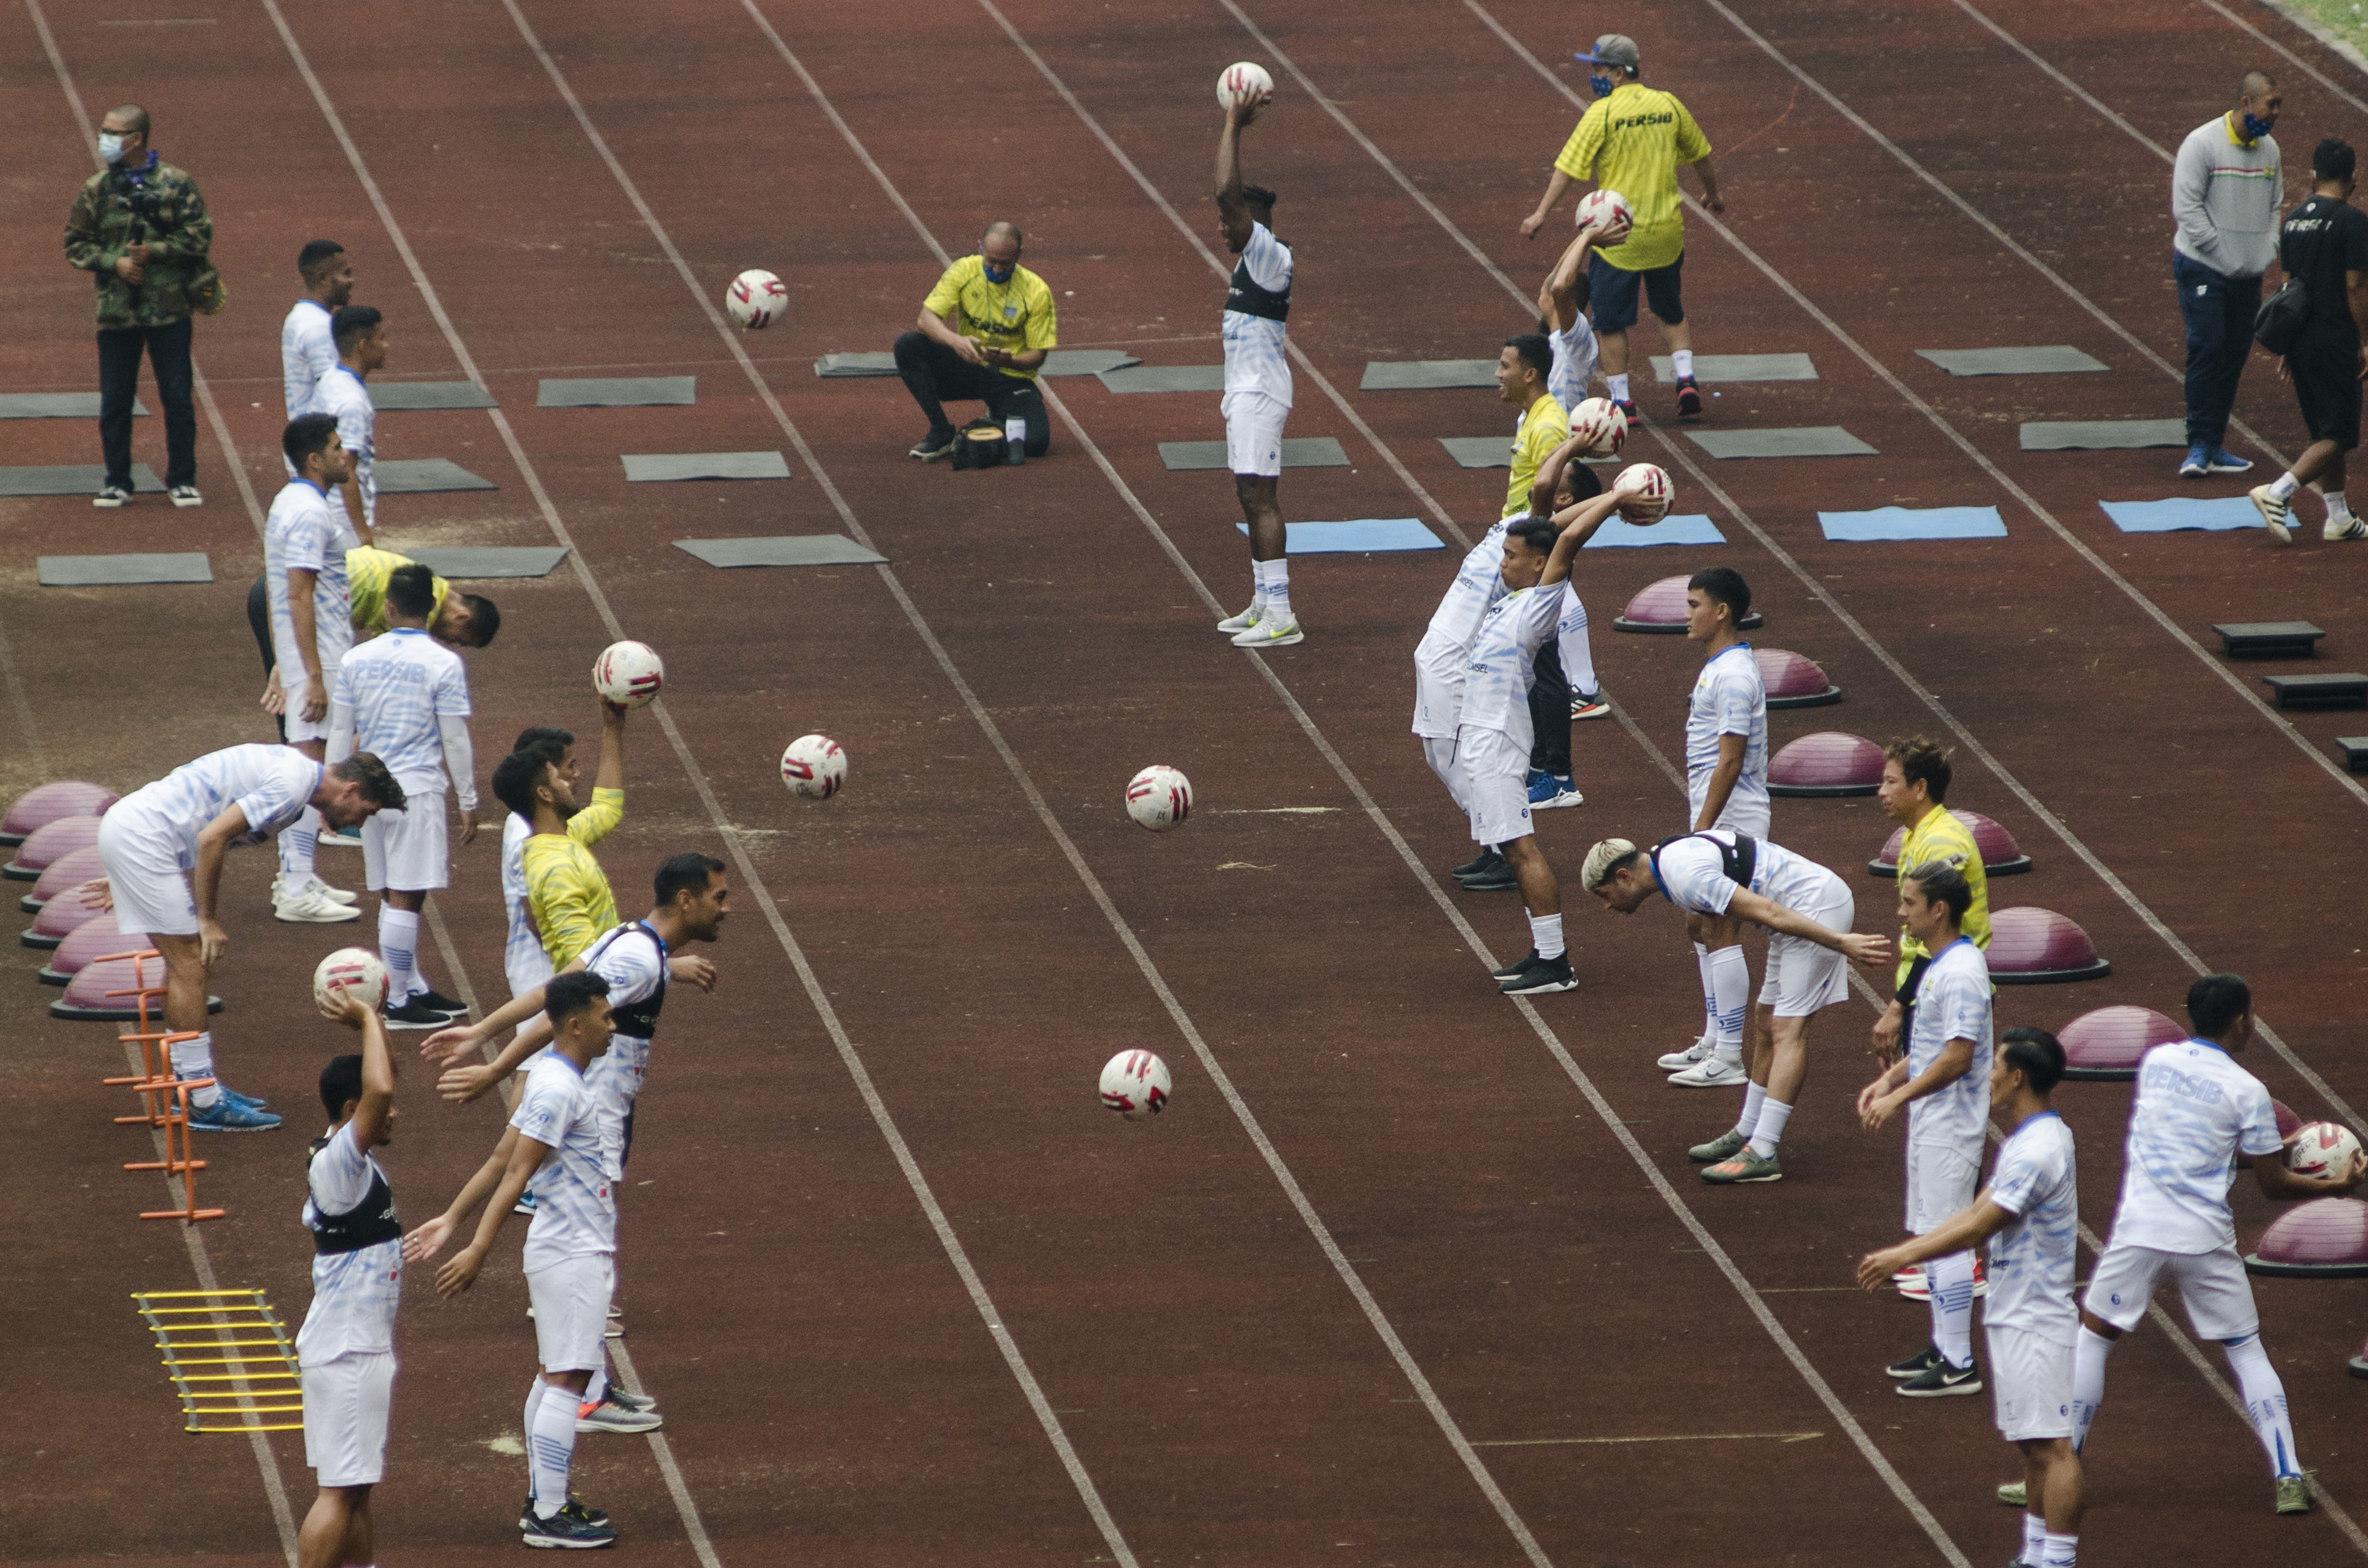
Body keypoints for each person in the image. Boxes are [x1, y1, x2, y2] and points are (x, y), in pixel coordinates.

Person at [426, 853, 726, 1412]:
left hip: (589, 1103)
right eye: (719, 896)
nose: (725, 908)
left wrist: (484, 1031)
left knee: (556, 1214)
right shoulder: (638, 960)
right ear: (686, 900)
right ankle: (585, 1394)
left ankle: (585, 1384)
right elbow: (563, 1013)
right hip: (594, 1116)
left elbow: (557, 991)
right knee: (589, 1248)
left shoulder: (631, 938)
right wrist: (494, 1066)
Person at [2073, 972, 2365, 1518]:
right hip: (2203, 1238)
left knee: (2093, 1340)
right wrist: (2334, 1186)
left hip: (2139, 1231)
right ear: (2240, 1020)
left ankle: (2058, 1464)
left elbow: (2193, 1141)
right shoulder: (2248, 1090)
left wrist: (2267, 1148)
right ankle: (2288, 1476)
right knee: (2245, 1350)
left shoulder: (2156, 1062)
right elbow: (2273, 1185)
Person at [403, 971, 622, 1548]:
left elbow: (501, 1158)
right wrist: (477, 1246)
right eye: (604, 1015)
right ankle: (548, 1512)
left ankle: (543, 1498)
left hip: (565, 1247)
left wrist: (452, 1219)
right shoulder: (558, 1089)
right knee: (570, 1378)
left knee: (556, 1374)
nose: (612, 1025)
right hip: (572, 1249)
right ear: (576, 1024)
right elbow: (517, 1171)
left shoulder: (550, 1075)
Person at [1858, 1028, 2085, 1568]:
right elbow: (1973, 1211)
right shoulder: (2027, 1140)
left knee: (2054, 1447)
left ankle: (2057, 1560)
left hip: (2035, 1315)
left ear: (2018, 1077)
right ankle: (2035, 1553)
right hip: (2015, 1309)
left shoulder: (2038, 1151)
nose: (1988, 1075)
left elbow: (1980, 1227)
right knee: (2032, 1444)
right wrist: (1909, 1250)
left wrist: (1903, 1255)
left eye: (1997, 1066)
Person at [91, 744, 402, 1131]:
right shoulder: (293, 786)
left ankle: (191, 1085)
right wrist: (207, 919)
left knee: (183, 964)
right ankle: (201, 1098)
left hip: (141, 837)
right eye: (366, 811)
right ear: (350, 790)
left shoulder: (297, 777)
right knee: (190, 963)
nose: (360, 822)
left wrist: (129, 871)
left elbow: (197, 816)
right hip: (142, 839)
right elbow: (211, 838)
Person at [1582, 830, 1887, 1183]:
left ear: (1624, 877)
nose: (1606, 906)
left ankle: (1764, 1150)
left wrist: (1839, 942)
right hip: (1800, 910)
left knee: (1788, 1030)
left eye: (1604, 895)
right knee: (1766, 1020)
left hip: (1815, 909)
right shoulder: (1668, 860)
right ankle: (1748, 1131)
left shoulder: (1685, 877)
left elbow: (1769, 911)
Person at [1460, 485, 1632, 996]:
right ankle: (1544, 953)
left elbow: (1568, 538)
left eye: (1512, 557)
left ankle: (1555, 962)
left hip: (1499, 738)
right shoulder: (1512, 600)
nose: (1503, 563)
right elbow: (1553, 524)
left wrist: (1616, 497)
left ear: (1540, 564)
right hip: (1482, 736)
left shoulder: (1540, 604)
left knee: (1521, 849)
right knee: (1512, 848)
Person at [1519, 36, 1722, 423]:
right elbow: (1701, 154)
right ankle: (1685, 378)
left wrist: (1541, 213)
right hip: (1665, 233)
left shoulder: (1602, 113)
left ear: (1618, 72)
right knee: (1670, 310)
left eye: (1598, 68)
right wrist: (1714, 195)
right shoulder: (1669, 104)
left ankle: (1623, 401)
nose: (1594, 75)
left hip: (1616, 239)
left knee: (1610, 323)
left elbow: (1568, 167)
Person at [1854, 861, 1993, 1396]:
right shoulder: (1942, 963)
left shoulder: (1960, 973)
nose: (1901, 912)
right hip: (1934, 1119)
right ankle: (1944, 1344)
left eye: (1909, 903)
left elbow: (1957, 1056)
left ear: (1939, 909)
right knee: (1933, 1233)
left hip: (1952, 1123)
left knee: (1947, 1236)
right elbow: (1933, 1047)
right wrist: (1890, 1078)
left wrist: (1897, 1098)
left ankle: (1959, 1361)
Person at [329, 564, 478, 1028]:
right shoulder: (444, 663)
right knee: (406, 897)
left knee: (393, 893)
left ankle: (410, 985)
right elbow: (454, 738)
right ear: (432, 606)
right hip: (416, 789)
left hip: (368, 791)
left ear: (388, 606)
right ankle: (393, 1002)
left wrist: (330, 794)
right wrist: (468, 798)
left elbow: (340, 730)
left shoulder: (355, 659)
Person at [295, 992, 402, 1568]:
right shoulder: (339, 1161)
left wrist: (375, 1020)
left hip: (351, 1348)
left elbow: (384, 1082)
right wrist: (363, 1017)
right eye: (384, 1108)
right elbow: (380, 1090)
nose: (394, 1112)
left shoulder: (345, 1160)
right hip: (349, 1352)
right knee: (338, 1492)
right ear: (354, 1106)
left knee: (355, 1488)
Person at [65, 103, 213, 509]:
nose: (105, 139)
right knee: (115, 400)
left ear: (136, 139)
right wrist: (116, 262)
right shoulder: (96, 189)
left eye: (113, 133)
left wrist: (156, 252)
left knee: (177, 397)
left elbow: (199, 236)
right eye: (104, 131)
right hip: (117, 312)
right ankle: (117, 481)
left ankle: (182, 479)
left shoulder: (176, 183)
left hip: (169, 309)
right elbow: (75, 244)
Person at [1658, 567, 1768, 1089]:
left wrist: (1702, 831)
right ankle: (1713, 1036)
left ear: (1721, 611)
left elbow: (1731, 759)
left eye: (1694, 604)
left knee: (1721, 927)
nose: (1686, 614)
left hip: (1731, 818)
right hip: (1717, 814)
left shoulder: (1734, 676)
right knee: (1698, 924)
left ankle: (1728, 1056)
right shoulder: (1719, 667)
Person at [1211, 96, 1304, 651]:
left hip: (1260, 394)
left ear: (1253, 221)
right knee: (1249, 495)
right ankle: (1264, 601)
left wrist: (1232, 124)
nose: (1222, 228)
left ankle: (1283, 613)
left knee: (1262, 497)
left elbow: (1226, 191)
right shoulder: (1253, 261)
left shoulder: (1269, 256)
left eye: (1230, 221)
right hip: (1244, 393)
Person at [266, 415, 366, 923]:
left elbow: (278, 590)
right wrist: (313, 674)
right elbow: (297, 594)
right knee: (308, 772)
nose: (345, 453)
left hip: (308, 655)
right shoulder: (309, 512)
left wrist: (281, 663)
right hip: (319, 655)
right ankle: (295, 887)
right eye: (335, 447)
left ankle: (298, 875)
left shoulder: (292, 501)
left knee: (308, 768)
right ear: (314, 459)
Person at [1490, 336, 1588, 817]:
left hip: (1537, 559)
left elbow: (1553, 500)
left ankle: (1558, 775)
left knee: (1544, 668)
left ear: (1530, 373)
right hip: (1524, 553)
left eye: (1505, 365)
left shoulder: (1548, 426)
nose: (1497, 373)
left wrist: (1541, 564)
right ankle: (1541, 766)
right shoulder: (1533, 417)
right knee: (1530, 662)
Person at [2252, 137, 2368, 545]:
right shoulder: (2353, 222)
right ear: (2353, 177)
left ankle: (2338, 516)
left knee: (2325, 429)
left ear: (2314, 175)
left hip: (2301, 336)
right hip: (2334, 338)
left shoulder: (2294, 221)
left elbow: (2288, 287)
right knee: (2340, 434)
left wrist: (2288, 344)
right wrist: (2366, 341)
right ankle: (2278, 492)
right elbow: (2355, 286)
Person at [1536, 211, 1624, 728]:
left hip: (1560, 476)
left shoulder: (1576, 342)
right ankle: (1572, 682)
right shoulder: (1551, 344)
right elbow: (1557, 284)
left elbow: (1561, 285)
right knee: (1542, 573)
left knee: (1551, 574)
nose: (1543, 291)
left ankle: (1584, 687)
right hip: (1544, 472)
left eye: (1550, 288)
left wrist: (1588, 235)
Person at [2173, 74, 2280, 479]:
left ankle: (2215, 442)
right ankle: (2199, 443)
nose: (2276, 113)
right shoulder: (2202, 144)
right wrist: (2222, 250)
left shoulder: (2270, 151)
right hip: (2204, 267)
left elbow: (2274, 205)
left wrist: (2267, 249)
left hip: (2247, 274)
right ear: (2247, 103)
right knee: (2208, 348)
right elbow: (2187, 208)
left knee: (2234, 355)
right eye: (2271, 105)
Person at [1870, 737, 1991, 1065]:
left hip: (1947, 987)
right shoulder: (1916, 835)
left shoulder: (1940, 842)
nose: (1882, 792)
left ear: (1920, 788)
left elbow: (1938, 928)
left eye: (1891, 782)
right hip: (1929, 984)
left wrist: (1897, 1007)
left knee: (1939, 1086)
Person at [895, 221, 1054, 462]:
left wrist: (1010, 361)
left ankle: (993, 422)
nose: (997, 270)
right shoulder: (964, 270)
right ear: (980, 248)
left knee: (1035, 443)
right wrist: (956, 341)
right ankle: (941, 431)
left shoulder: (1037, 291)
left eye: (1005, 264)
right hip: (968, 365)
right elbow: (925, 320)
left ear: (1019, 255)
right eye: (991, 262)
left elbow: (1038, 355)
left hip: (1010, 377)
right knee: (907, 345)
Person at [500, 712, 625, 1001]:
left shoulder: (555, 830)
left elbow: (607, 810)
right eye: (567, 769)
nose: (575, 775)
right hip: (549, 976)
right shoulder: (532, 841)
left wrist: (613, 729)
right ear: (544, 789)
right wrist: (662, 965)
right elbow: (537, 920)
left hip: (568, 975)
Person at [316, 307, 385, 546]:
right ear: (363, 346)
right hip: (343, 521)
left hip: (329, 510)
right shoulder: (351, 403)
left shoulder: (331, 378)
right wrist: (362, 534)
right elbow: (346, 469)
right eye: (381, 338)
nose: (386, 346)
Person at [283, 240, 352, 426]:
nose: (351, 281)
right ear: (322, 279)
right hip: (319, 437)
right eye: (345, 274)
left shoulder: (297, 316)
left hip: (304, 432)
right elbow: (333, 391)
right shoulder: (319, 326)